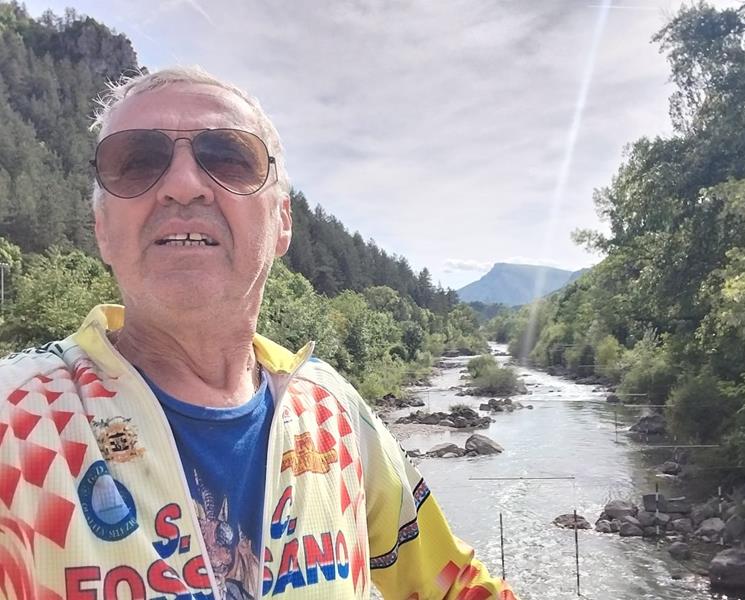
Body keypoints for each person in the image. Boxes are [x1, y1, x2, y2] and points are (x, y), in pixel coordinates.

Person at [0, 67, 517, 600]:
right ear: (102, 229)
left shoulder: (333, 411)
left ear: (282, 222)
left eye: (228, 156)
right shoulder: (17, 422)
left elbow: (454, 585)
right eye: (136, 163)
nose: (182, 185)